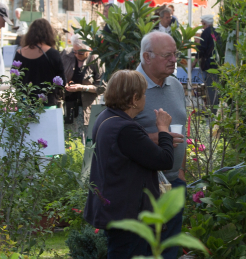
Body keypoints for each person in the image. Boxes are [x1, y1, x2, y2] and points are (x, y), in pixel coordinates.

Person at [83, 70, 176, 259]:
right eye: (143, 93)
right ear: (134, 98)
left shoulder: (106, 117)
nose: (145, 98)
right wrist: (164, 130)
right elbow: (164, 160)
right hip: (127, 211)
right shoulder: (126, 128)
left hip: (115, 207)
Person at [130, 31, 188, 259]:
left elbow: (182, 128)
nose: (174, 60)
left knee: (170, 249)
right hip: (144, 185)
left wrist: (180, 170)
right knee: (144, 248)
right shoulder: (129, 87)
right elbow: (116, 134)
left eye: (175, 54)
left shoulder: (175, 85)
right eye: (167, 55)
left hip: (173, 180)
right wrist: (157, 137)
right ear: (147, 57)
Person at [14, 19, 65, 107]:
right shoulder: (53, 54)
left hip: (25, 104)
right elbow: (62, 81)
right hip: (48, 103)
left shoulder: (20, 53)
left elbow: (14, 80)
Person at [62, 42, 105, 136]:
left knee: (84, 138)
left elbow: (102, 87)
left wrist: (82, 88)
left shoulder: (95, 59)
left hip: (85, 108)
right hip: (68, 107)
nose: (76, 54)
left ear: (88, 50)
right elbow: (58, 73)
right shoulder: (66, 55)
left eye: (80, 53)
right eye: (74, 51)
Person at [196, 15, 219, 105]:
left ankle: (211, 111)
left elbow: (202, 49)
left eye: (202, 22)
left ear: (205, 23)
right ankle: (214, 108)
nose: (201, 24)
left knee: (211, 89)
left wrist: (195, 61)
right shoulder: (216, 31)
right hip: (217, 63)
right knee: (215, 89)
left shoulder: (206, 32)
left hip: (210, 65)